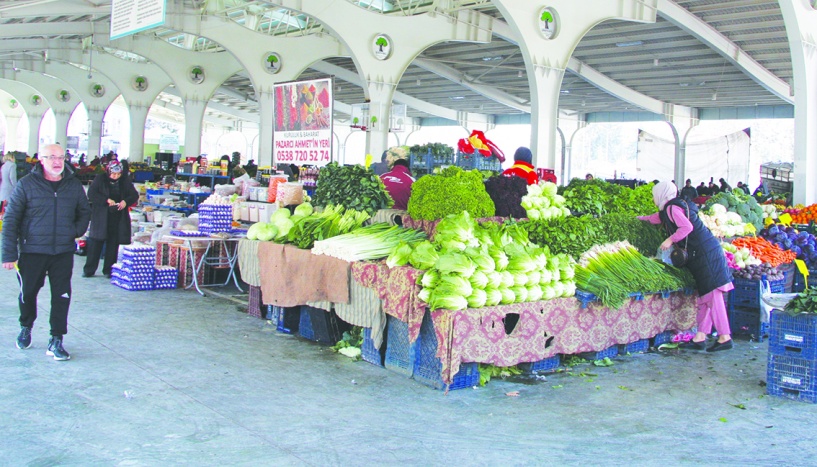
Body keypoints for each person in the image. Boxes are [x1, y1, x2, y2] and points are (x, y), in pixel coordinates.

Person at [2, 144, 91, 361]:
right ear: (41, 159)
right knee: (28, 293)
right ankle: (26, 326)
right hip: (32, 251)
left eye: (61, 157)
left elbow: (85, 211)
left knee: (62, 295)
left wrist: (75, 231)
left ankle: (56, 339)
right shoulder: (26, 185)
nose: (57, 161)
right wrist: (8, 254)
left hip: (62, 251)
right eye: (51, 157)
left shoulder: (73, 186)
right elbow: (11, 219)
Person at [638, 182, 733, 352]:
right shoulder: (670, 208)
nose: (653, 198)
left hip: (706, 254)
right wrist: (638, 219)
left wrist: (670, 240)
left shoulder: (672, 208)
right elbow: (655, 218)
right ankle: (700, 337)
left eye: (654, 194)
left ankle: (724, 337)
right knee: (705, 295)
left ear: (662, 194)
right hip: (703, 252)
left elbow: (686, 227)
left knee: (713, 294)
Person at [83, 161, 139, 279]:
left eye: (118, 174)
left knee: (113, 243)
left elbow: (134, 195)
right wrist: (106, 200)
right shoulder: (100, 179)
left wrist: (125, 201)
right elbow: (92, 194)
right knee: (96, 242)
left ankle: (109, 269)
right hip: (101, 216)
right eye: (113, 174)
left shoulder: (125, 180)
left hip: (117, 216)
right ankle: (89, 269)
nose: (115, 177)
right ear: (108, 171)